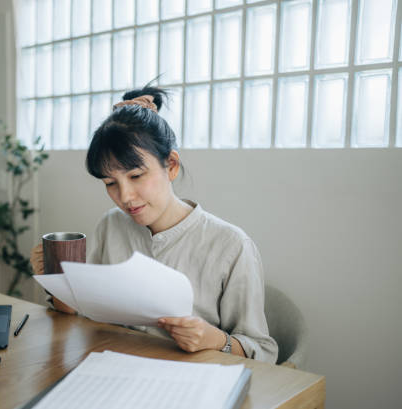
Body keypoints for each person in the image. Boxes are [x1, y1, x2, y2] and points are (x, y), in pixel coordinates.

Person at [30, 86, 278, 364]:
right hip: (113, 371)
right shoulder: (111, 225)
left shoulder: (231, 245)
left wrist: (215, 339)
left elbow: (263, 352)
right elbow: (83, 315)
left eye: (136, 176)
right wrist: (56, 282)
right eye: (110, 183)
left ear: (171, 165)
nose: (124, 197)